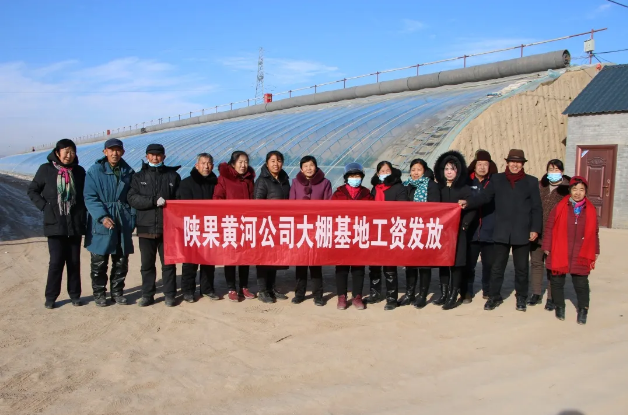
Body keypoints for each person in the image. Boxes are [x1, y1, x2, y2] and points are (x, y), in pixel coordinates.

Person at [462, 149, 542, 312]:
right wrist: (468, 203)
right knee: (497, 267)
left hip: (522, 231)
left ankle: (521, 297)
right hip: (501, 231)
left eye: (518, 162)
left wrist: (535, 229)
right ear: (507, 163)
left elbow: (536, 208)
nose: (515, 165)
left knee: (521, 268)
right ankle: (494, 296)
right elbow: (485, 197)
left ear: (522, 164)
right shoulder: (497, 179)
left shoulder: (531, 182)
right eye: (512, 162)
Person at [27, 139, 86, 309]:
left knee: (74, 262)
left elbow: (86, 194)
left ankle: (75, 295)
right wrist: (45, 206)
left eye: (72, 152)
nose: (69, 155)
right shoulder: (46, 170)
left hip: (74, 224)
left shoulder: (79, 171)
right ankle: (51, 296)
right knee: (56, 262)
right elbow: (32, 190)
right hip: (55, 223)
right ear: (57, 153)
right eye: (66, 151)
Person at [83, 138, 135, 307]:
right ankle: (99, 293)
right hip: (101, 220)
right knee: (99, 260)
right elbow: (90, 197)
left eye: (118, 150)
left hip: (122, 219)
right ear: (105, 152)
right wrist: (102, 216)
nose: (115, 153)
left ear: (123, 152)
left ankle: (117, 292)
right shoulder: (95, 171)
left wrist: (131, 218)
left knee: (121, 260)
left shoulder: (128, 171)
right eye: (111, 150)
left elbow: (132, 197)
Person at [128, 144, 181, 307]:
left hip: (167, 228)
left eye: (158, 155)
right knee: (147, 265)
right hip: (146, 227)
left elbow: (179, 200)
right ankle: (147, 294)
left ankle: (170, 295)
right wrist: (152, 201)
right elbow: (132, 198)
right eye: (152, 155)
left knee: (169, 264)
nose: (155, 158)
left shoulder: (173, 176)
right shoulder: (138, 177)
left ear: (164, 157)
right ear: (147, 157)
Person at [542, 176, 599, 325]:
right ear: (570, 190)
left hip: (581, 251)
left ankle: (583, 309)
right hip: (560, 249)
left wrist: (596, 250)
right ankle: (560, 306)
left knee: (581, 283)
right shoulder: (560, 207)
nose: (578, 193)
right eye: (575, 189)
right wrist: (547, 246)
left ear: (585, 192)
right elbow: (549, 227)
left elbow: (594, 232)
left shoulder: (591, 210)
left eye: (581, 190)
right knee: (556, 280)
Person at [433, 151, 475, 310]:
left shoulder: (464, 189)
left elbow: (472, 207)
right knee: (443, 262)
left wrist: (465, 223)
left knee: (457, 263)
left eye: (452, 169)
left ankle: (453, 295)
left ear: (458, 171)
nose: (449, 172)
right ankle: (443, 294)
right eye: (446, 169)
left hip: (458, 232)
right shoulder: (439, 188)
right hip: (442, 232)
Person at [213, 151, 257, 302]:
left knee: (245, 257)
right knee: (231, 257)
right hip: (230, 223)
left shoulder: (249, 179)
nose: (243, 165)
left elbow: (254, 199)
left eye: (246, 162)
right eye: (240, 162)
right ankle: (231, 288)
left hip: (246, 223)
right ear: (233, 164)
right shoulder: (224, 178)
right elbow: (217, 199)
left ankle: (244, 287)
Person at [289, 155, 332, 305]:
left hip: (317, 227)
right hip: (301, 228)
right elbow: (291, 205)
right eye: (305, 166)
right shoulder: (295, 183)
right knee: (300, 263)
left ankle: (318, 295)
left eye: (311, 165)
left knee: (315, 263)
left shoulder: (325, 183)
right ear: (301, 169)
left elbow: (328, 205)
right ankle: (299, 294)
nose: (308, 168)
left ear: (316, 167)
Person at [529, 159, 570, 310]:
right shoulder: (541, 187)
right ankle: (536, 293)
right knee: (536, 263)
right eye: (551, 169)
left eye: (556, 170)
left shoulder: (568, 189)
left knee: (553, 266)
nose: (553, 172)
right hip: (537, 232)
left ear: (562, 171)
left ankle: (552, 297)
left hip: (556, 235)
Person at [178, 153, 219, 303]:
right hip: (192, 227)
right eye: (203, 163)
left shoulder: (216, 183)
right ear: (196, 165)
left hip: (210, 227)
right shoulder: (186, 183)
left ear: (212, 166)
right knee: (190, 261)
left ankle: (207, 289)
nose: (206, 166)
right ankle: (188, 291)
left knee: (209, 260)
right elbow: (182, 207)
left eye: (209, 163)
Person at [332, 162, 373, 310]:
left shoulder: (367, 194)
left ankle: (357, 297)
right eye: (352, 176)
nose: (355, 178)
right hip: (342, 233)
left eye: (357, 176)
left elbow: (373, 213)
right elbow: (331, 212)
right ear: (346, 177)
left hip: (359, 234)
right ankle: (342, 297)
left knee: (358, 267)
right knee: (342, 267)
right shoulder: (338, 193)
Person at [367, 161, 407, 310]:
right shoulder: (375, 188)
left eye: (387, 170)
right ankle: (375, 293)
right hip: (375, 230)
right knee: (374, 264)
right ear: (378, 174)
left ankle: (391, 298)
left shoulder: (398, 187)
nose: (384, 173)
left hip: (390, 230)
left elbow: (402, 208)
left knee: (389, 265)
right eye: (382, 171)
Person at [400, 158, 440, 308]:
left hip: (425, 229)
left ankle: (422, 295)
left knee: (424, 264)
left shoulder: (431, 185)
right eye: (413, 170)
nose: (415, 173)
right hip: (409, 229)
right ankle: (410, 294)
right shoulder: (405, 185)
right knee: (410, 263)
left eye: (419, 170)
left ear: (424, 171)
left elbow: (435, 207)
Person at [254, 151, 291, 304]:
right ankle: (262, 290)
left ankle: (271, 288)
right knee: (263, 258)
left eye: (279, 160)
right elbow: (257, 204)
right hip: (266, 225)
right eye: (273, 161)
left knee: (275, 257)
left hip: (280, 225)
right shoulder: (262, 181)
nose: (276, 164)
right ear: (267, 163)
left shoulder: (284, 179)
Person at [463, 150, 498, 303]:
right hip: (471, 230)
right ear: (474, 165)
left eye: (485, 165)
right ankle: (467, 291)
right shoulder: (466, 182)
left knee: (488, 264)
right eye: (479, 164)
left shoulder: (494, 182)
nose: (482, 167)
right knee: (469, 264)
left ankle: (487, 290)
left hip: (490, 230)